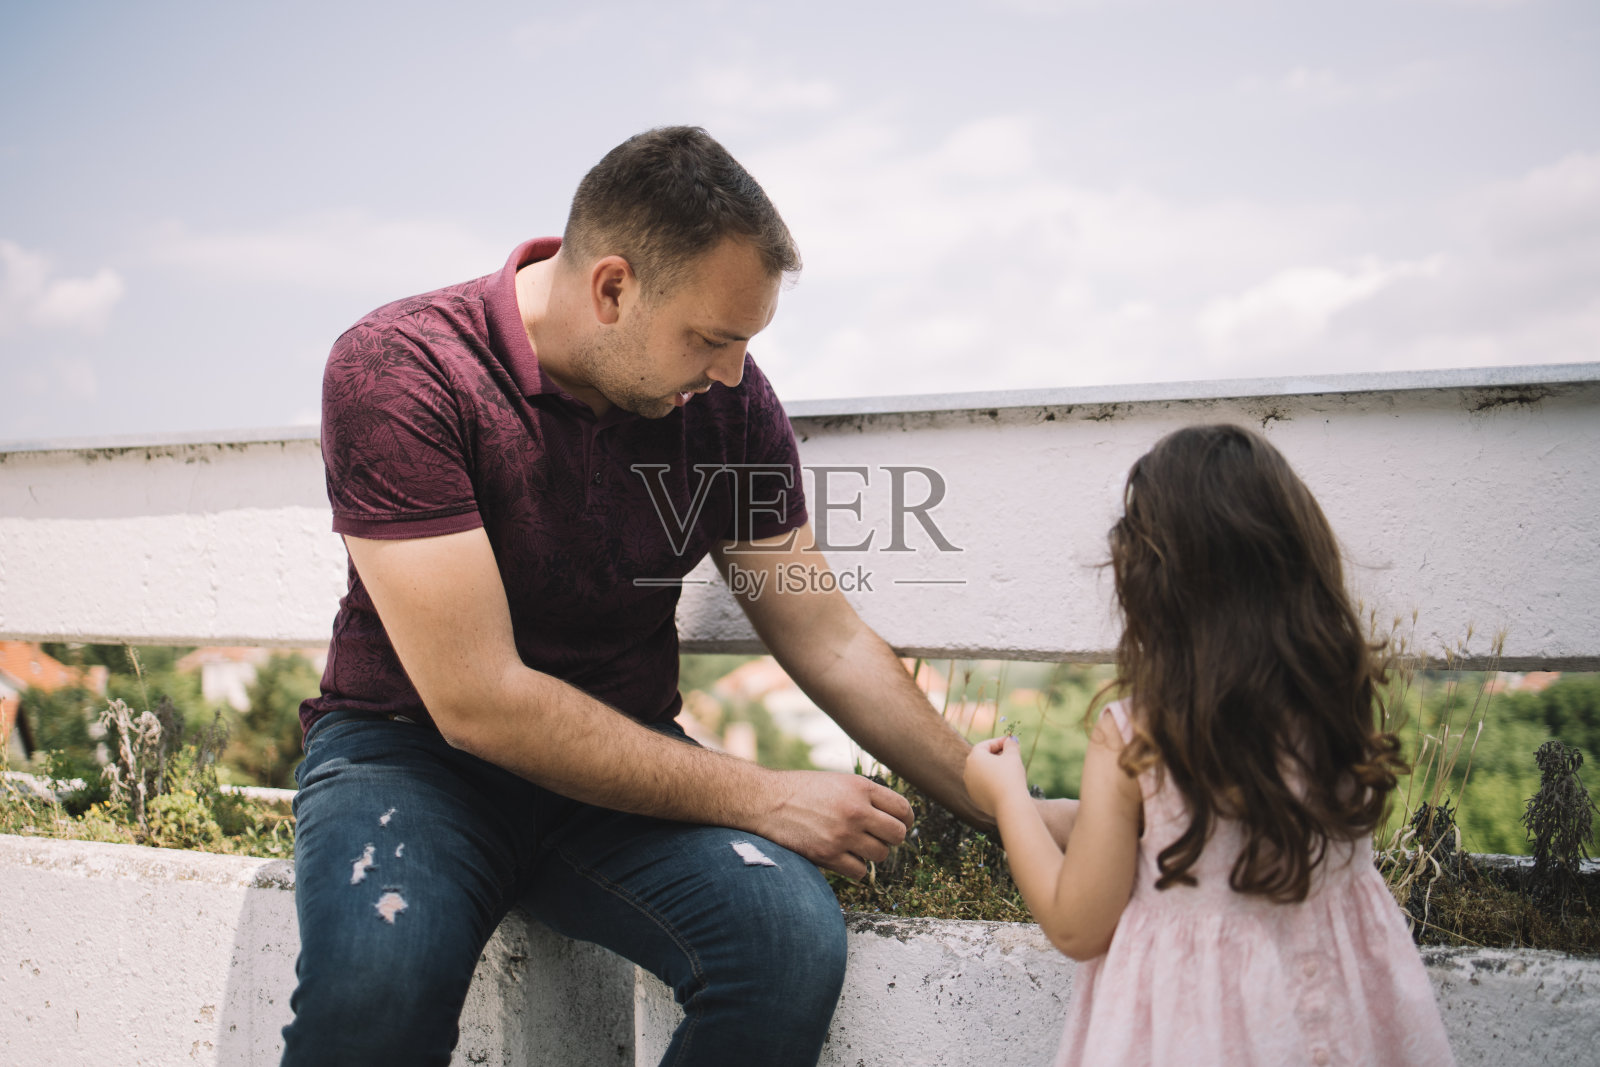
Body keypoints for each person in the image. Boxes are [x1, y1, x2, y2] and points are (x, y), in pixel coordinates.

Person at [284, 126, 1073, 1067]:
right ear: (612, 287)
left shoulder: (727, 405)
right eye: (712, 336)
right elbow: (480, 701)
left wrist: (1006, 806)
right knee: (378, 983)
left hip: (620, 766)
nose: (732, 371)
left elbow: (824, 636)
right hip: (411, 758)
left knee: (786, 943)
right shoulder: (401, 368)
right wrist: (766, 798)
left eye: (746, 340)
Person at [965, 424, 1456, 1066]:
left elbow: (1076, 925)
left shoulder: (1138, 736)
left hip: (1196, 1028)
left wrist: (1007, 801)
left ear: (1152, 589)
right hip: (1338, 1020)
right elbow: (1182, 833)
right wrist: (1049, 812)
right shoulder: (1334, 703)